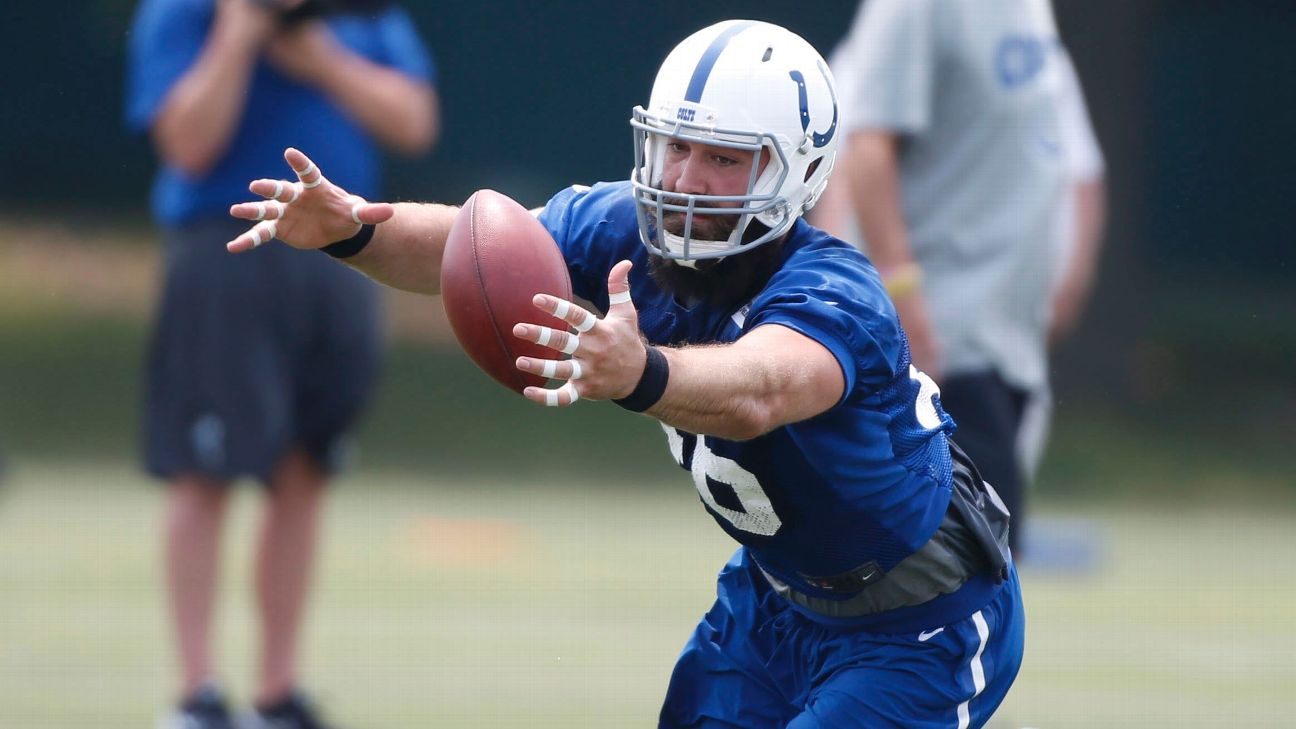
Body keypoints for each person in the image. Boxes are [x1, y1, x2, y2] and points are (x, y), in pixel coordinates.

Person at [226, 20, 1023, 728]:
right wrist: (354, 230)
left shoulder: (837, 292)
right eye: (677, 145)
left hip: (917, 620)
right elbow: (474, 249)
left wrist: (643, 374)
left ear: (797, 173)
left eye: (723, 158)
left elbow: (760, 390)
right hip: (774, 602)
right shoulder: (624, 229)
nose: (684, 177)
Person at [123, 0, 438, 727]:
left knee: (307, 469)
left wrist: (320, 57)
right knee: (204, 467)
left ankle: (276, 693)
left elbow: (414, 120)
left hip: (343, 253)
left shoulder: (353, 16)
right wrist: (240, 32)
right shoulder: (185, 12)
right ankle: (198, 693)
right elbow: (188, 144)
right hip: (222, 249)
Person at [815, 0, 1107, 556]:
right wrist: (899, 296)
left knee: (983, 582)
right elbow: (867, 149)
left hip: (1003, 343)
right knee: (956, 588)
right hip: (944, 348)